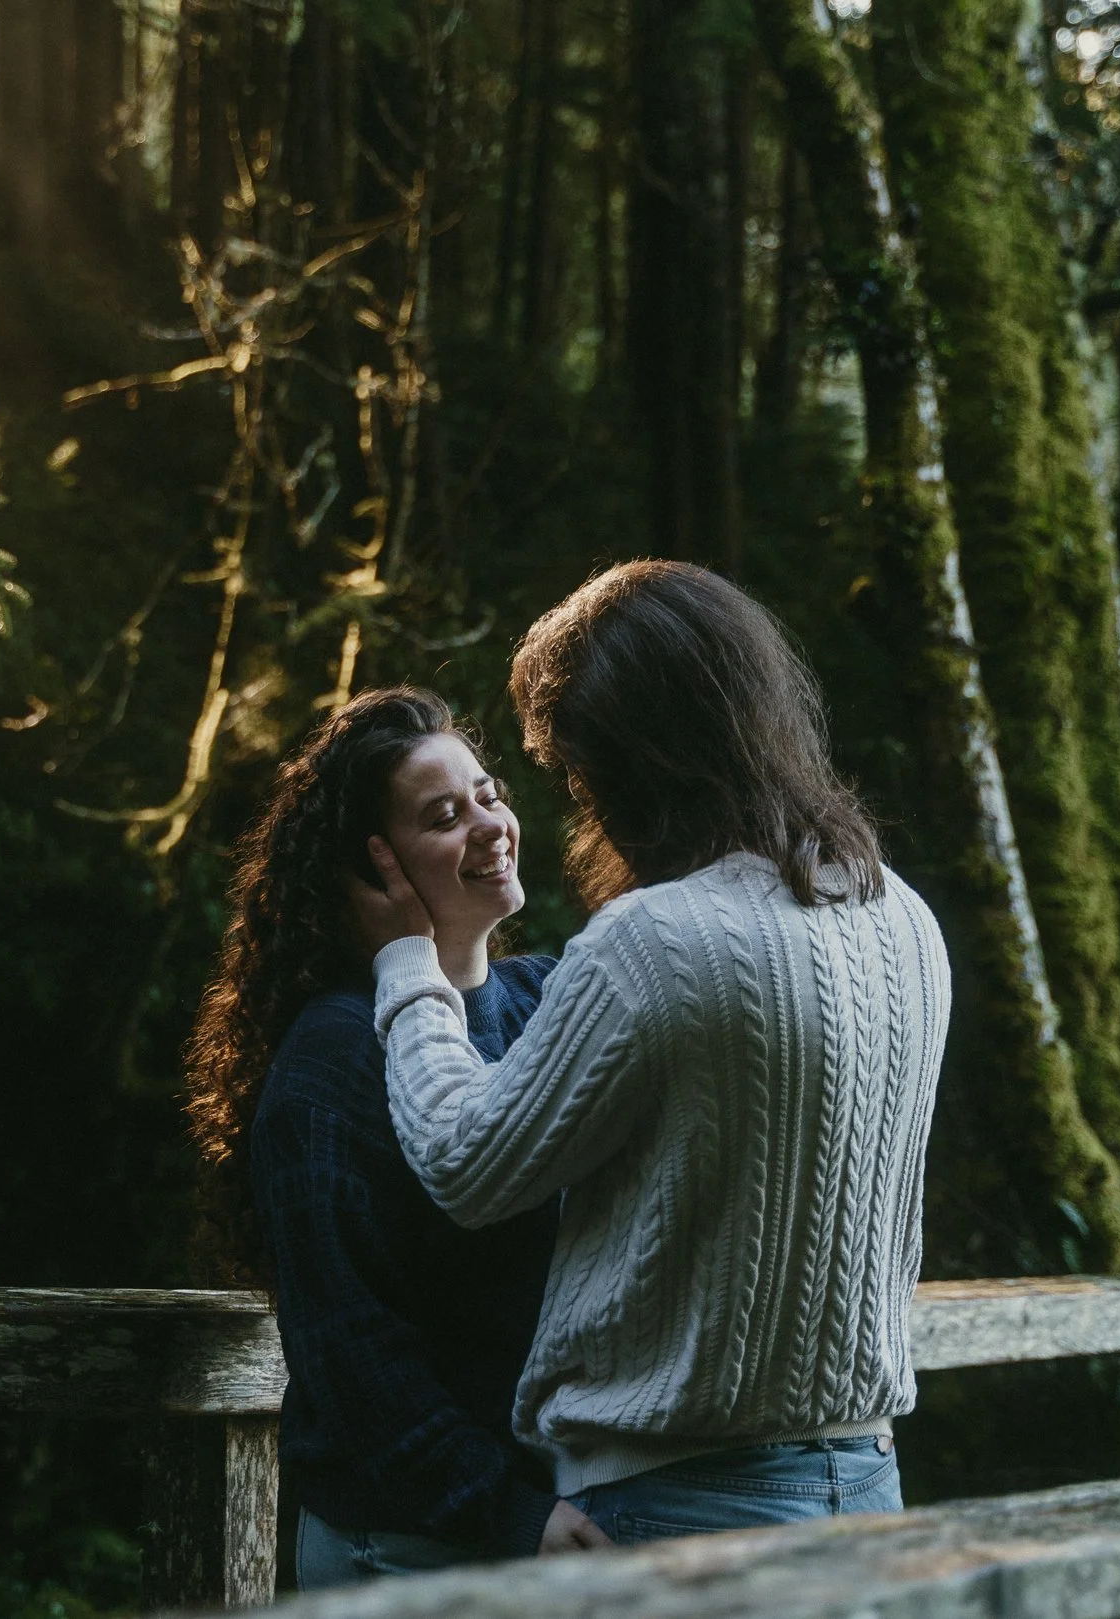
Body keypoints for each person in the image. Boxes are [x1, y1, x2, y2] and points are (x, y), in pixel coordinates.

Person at [353, 560, 950, 1546]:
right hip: (865, 1490)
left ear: (622, 759)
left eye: (570, 766)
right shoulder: (902, 915)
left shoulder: (654, 940)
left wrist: (407, 965)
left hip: (671, 1505)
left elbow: (465, 1163)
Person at [181, 687, 611, 1589]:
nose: (491, 825)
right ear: (374, 870)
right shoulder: (332, 1058)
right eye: (445, 816)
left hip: (544, 1524)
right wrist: (510, 1512)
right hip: (406, 1547)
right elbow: (350, 1352)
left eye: (489, 794)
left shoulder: (544, 998)